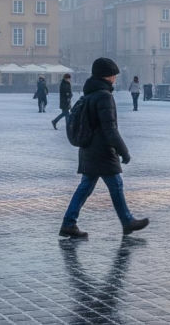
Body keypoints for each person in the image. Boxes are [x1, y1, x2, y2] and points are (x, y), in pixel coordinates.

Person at [59, 57, 148, 239]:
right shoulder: (104, 96)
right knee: (115, 185)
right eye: (113, 74)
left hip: (89, 150)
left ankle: (69, 223)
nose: (115, 77)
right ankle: (127, 221)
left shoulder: (90, 94)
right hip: (102, 151)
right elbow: (110, 129)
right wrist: (124, 151)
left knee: (86, 187)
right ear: (106, 76)